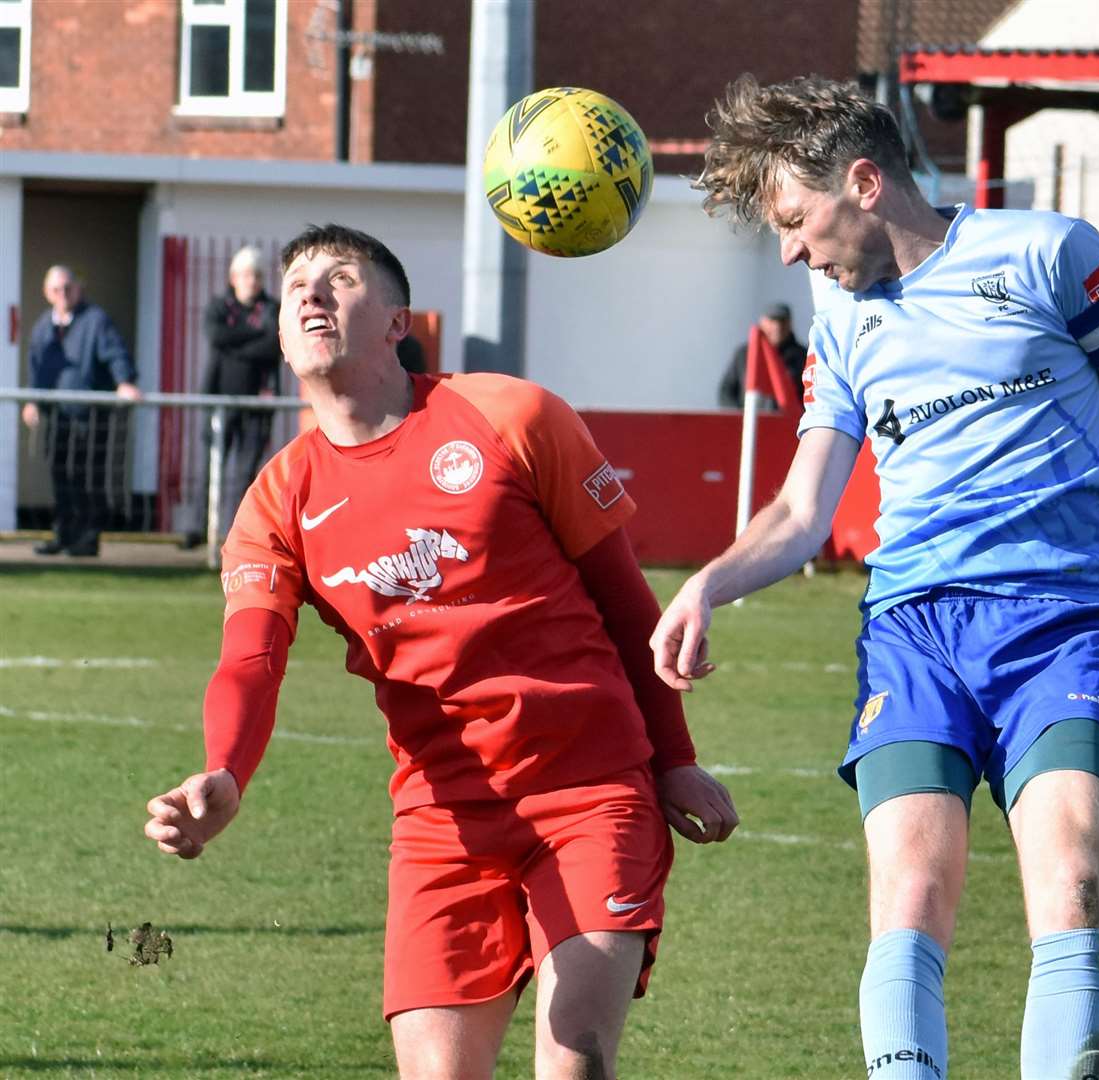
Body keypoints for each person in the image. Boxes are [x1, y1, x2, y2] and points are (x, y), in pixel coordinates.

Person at [650, 75, 1099, 1080]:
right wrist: (706, 585)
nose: (791, 250)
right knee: (909, 898)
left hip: (1062, 622)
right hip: (914, 633)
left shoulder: (1051, 254)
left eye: (797, 219)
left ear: (863, 181)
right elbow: (802, 512)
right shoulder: (841, 319)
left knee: (1068, 884)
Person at [143, 224, 738, 1080]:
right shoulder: (277, 499)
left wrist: (674, 759)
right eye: (295, 286)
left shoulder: (512, 414)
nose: (311, 293)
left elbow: (625, 600)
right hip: (442, 822)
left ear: (396, 320)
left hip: (590, 788)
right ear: (277, 334)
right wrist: (224, 773)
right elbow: (250, 660)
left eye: (340, 279)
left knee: (574, 1061)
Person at [21, 265, 141, 557]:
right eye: (56, 289)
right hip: (57, 416)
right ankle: (63, 534)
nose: (62, 294)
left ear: (77, 288)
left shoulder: (95, 321)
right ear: (47, 293)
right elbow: (36, 370)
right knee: (60, 476)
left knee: (88, 477)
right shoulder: (43, 327)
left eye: (67, 288)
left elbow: (115, 353)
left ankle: (87, 538)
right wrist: (32, 401)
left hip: (89, 415)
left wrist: (124, 382)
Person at [195, 246, 282, 543]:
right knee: (211, 467)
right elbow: (216, 336)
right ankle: (198, 530)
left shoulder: (272, 308)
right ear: (234, 277)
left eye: (256, 275)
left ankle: (236, 534)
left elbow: (272, 344)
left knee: (246, 472)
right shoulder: (220, 306)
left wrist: (235, 344)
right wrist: (253, 335)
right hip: (218, 400)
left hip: (257, 403)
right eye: (246, 275)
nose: (251, 281)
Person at [717, 301, 807, 408]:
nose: (777, 327)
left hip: (788, 423)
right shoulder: (744, 354)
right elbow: (726, 392)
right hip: (750, 422)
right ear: (762, 322)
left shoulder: (802, 356)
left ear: (790, 323)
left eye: (782, 321)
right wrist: (741, 417)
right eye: (772, 320)